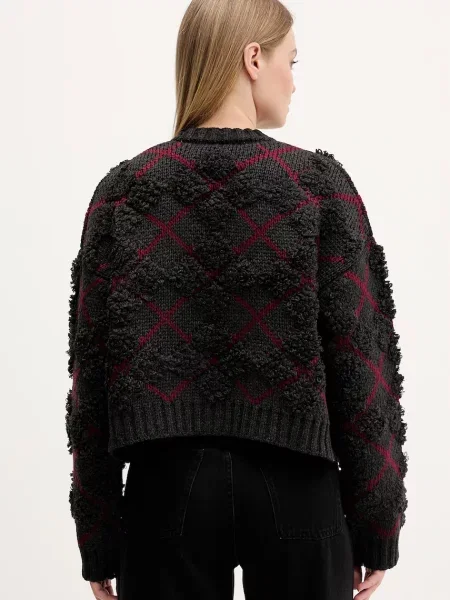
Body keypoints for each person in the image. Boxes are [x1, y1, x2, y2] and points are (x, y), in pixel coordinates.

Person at [65, 1, 408, 599]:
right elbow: (362, 363)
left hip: (164, 496)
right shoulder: (317, 187)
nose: (293, 81)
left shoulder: (123, 192)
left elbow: (89, 376)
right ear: (253, 58)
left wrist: (97, 534)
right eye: (290, 61)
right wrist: (378, 522)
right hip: (298, 488)